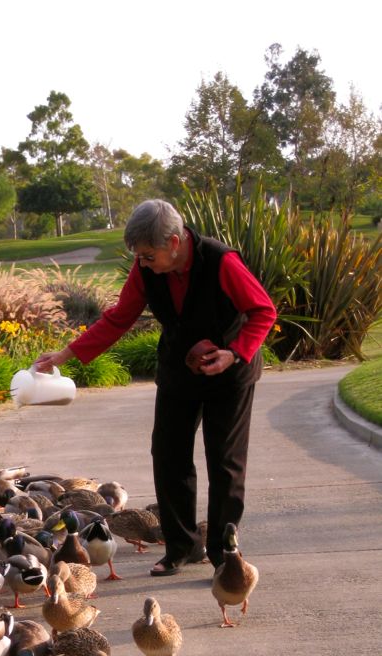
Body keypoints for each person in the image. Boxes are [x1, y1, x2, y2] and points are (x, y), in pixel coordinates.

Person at [33, 199, 277, 575]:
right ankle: (181, 547)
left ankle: (223, 555)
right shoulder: (146, 269)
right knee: (168, 454)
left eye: (148, 255)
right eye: (139, 256)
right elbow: (119, 318)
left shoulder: (222, 261)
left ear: (175, 242)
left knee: (225, 463)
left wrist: (235, 353)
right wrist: (64, 356)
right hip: (179, 370)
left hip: (230, 372)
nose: (143, 263)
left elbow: (263, 311)